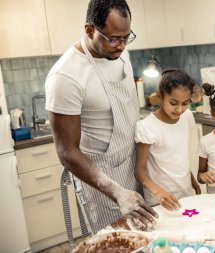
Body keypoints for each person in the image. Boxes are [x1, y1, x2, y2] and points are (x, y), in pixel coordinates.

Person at [45, 0, 157, 238]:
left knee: (150, 240)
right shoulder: (66, 76)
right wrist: (116, 191)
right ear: (89, 30)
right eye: (114, 38)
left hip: (134, 164)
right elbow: (66, 151)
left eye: (127, 38)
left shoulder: (119, 53)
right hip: (103, 179)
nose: (122, 46)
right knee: (118, 243)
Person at [134, 69, 201, 211]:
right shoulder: (147, 127)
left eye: (185, 103)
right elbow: (139, 172)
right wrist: (159, 193)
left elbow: (177, 153)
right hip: (160, 200)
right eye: (173, 103)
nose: (179, 109)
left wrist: (190, 177)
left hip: (185, 192)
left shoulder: (187, 116)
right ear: (160, 97)